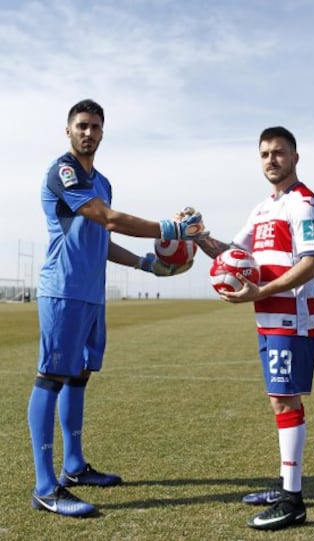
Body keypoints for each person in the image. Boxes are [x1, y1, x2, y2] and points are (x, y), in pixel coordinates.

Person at [28, 98, 204, 517]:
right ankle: (44, 486)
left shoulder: (102, 181)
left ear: (103, 133)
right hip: (63, 290)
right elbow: (106, 218)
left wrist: (149, 264)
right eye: (81, 125)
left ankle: (73, 466)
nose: (88, 133)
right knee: (51, 377)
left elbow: (102, 239)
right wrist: (172, 229)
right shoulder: (63, 171)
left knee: (80, 375)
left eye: (95, 127)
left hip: (91, 293)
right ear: (68, 130)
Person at [189, 126, 314, 531]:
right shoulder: (261, 210)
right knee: (277, 401)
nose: (271, 159)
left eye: (279, 152)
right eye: (265, 153)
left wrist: (261, 290)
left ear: (295, 158)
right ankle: (287, 483)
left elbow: (312, 262)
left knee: (286, 402)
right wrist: (196, 235)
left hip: (291, 316)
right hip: (265, 315)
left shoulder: (303, 205)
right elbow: (231, 253)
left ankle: (293, 501)